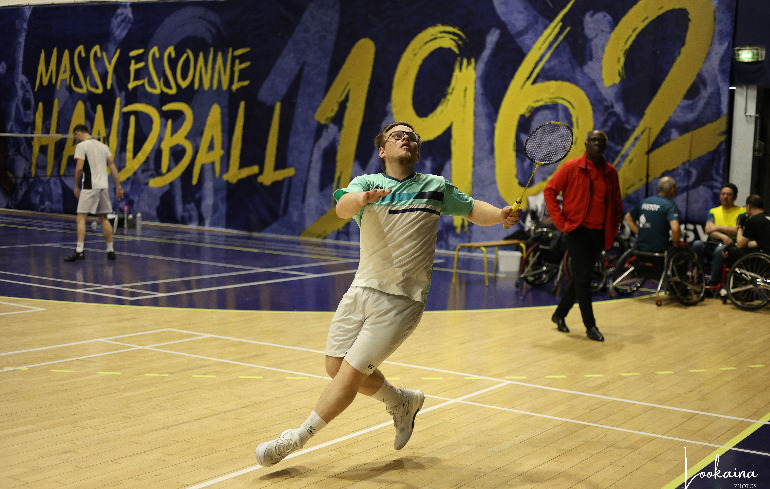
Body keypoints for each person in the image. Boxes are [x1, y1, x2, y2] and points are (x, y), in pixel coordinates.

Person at [255, 122, 521, 467]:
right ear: (383, 150)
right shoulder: (367, 183)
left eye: (412, 136)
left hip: (402, 300)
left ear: (417, 151)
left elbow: (471, 209)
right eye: (398, 135)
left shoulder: (434, 187)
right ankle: (401, 402)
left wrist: (499, 215)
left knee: (350, 376)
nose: (406, 138)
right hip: (362, 289)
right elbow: (342, 208)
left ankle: (296, 438)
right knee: (335, 366)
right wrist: (362, 199)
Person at [544, 130, 623, 342]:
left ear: (605, 145)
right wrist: (561, 223)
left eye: (601, 140)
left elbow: (616, 205)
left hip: (598, 234)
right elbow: (550, 191)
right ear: (586, 144)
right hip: (576, 231)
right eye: (593, 140)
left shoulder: (611, 173)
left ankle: (559, 314)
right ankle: (591, 326)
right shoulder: (571, 167)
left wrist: (613, 229)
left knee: (581, 277)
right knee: (585, 280)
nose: (597, 143)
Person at [64, 124, 123, 262]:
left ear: (78, 133)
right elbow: (112, 166)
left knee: (81, 217)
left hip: (90, 186)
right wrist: (118, 185)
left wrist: (76, 186)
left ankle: (79, 250)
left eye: (75, 136)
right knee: (103, 218)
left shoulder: (82, 146)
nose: (75, 139)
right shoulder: (103, 146)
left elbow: (79, 168)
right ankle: (110, 250)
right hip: (103, 186)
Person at [691, 183, 745, 285]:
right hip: (713, 243)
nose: (725, 197)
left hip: (731, 247)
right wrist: (723, 236)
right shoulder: (714, 211)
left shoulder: (741, 212)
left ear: (735, 197)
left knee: (720, 249)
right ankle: (700, 277)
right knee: (697, 244)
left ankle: (713, 282)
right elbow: (708, 230)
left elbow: (737, 230)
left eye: (729, 194)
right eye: (723, 194)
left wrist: (716, 227)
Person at [624, 176, 681, 252]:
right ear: (672, 190)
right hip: (660, 250)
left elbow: (628, 218)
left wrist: (640, 233)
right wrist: (676, 245)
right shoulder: (670, 205)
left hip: (641, 249)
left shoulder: (644, 202)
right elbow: (675, 228)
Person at [725, 194, 770, 266]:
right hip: (765, 253)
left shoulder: (753, 220)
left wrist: (740, 226)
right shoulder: (767, 217)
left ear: (748, 207)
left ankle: (735, 276)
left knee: (732, 251)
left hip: (763, 257)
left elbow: (740, 244)